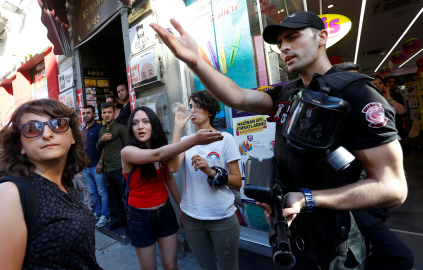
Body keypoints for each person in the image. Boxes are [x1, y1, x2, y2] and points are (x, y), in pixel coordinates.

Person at [150, 12, 407, 269]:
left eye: (293, 37)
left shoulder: (358, 94)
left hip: (335, 241)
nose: (284, 47)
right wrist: (195, 62)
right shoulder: (287, 92)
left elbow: (392, 187)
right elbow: (238, 97)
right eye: (280, 42)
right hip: (293, 233)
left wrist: (308, 199)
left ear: (322, 37)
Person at [0, 99, 101, 269]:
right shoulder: (7, 195)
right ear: (20, 145)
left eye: (58, 124)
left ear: (73, 136)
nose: (47, 134)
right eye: (32, 128)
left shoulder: (63, 181)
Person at [121, 106, 224, 270]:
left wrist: (180, 206)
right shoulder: (127, 151)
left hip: (165, 213)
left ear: (153, 125)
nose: (140, 126)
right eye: (135, 123)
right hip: (140, 218)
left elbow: (168, 175)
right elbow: (157, 156)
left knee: (171, 265)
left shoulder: (161, 147)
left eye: (145, 121)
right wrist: (194, 140)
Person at [334, 65, 414, 270]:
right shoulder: (337, 117)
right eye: (351, 84)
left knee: (367, 249)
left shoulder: (373, 108)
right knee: (400, 257)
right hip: (355, 202)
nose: (359, 89)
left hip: (376, 201)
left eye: (363, 83)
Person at [168, 90, 242, 270]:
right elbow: (172, 167)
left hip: (221, 217)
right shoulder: (186, 141)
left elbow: (237, 181)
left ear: (210, 111)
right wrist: (178, 128)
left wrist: (212, 172)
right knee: (205, 267)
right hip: (192, 218)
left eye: (198, 106)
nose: (192, 110)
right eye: (191, 106)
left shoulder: (225, 139)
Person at [96, 102, 127, 230]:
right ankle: (120, 220)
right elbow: (99, 148)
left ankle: (130, 223)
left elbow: (129, 146)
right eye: (104, 112)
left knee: (124, 197)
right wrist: (101, 140)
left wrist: (126, 167)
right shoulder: (102, 130)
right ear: (101, 114)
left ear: (114, 114)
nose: (107, 115)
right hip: (108, 169)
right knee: (114, 198)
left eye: (109, 112)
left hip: (120, 168)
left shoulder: (120, 128)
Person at [81, 105, 110, 228]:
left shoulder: (99, 128)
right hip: (86, 167)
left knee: (102, 192)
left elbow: (104, 146)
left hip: (96, 166)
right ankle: (97, 212)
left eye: (88, 113)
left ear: (94, 114)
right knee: (92, 192)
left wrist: (100, 162)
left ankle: (105, 215)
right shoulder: (83, 129)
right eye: (84, 113)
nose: (85, 115)